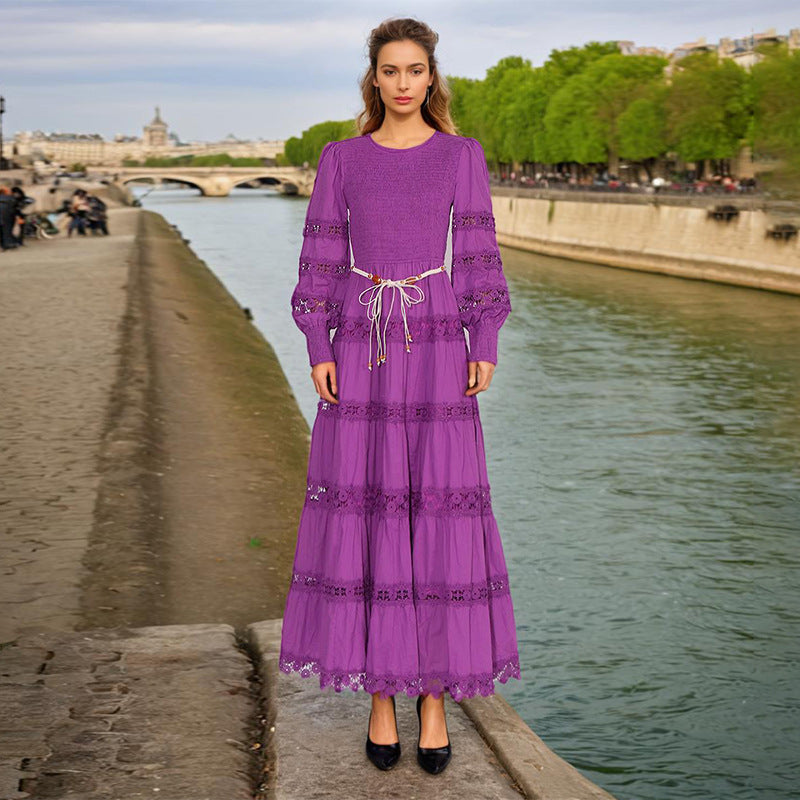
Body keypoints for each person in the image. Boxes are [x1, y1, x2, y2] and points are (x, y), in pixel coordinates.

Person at [279, 17, 522, 776]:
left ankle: (434, 697)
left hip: (440, 341)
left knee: (437, 518)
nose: (405, 82)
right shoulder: (341, 159)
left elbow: (479, 252)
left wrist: (485, 341)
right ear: (374, 80)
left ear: (431, 77)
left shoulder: (461, 155)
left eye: (417, 70)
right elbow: (319, 256)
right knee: (372, 512)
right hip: (360, 341)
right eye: (392, 71)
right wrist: (318, 347)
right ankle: (384, 696)